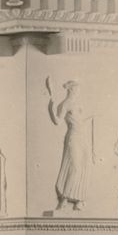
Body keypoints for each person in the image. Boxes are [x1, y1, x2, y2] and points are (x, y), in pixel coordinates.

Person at [45, 77, 100, 212]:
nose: (77, 92)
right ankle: (64, 199)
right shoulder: (64, 104)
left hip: (83, 138)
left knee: (85, 166)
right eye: (76, 89)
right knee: (74, 167)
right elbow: (57, 121)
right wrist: (51, 106)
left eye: (78, 89)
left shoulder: (79, 104)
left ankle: (79, 200)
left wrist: (92, 117)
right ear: (70, 89)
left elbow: (81, 121)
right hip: (73, 137)